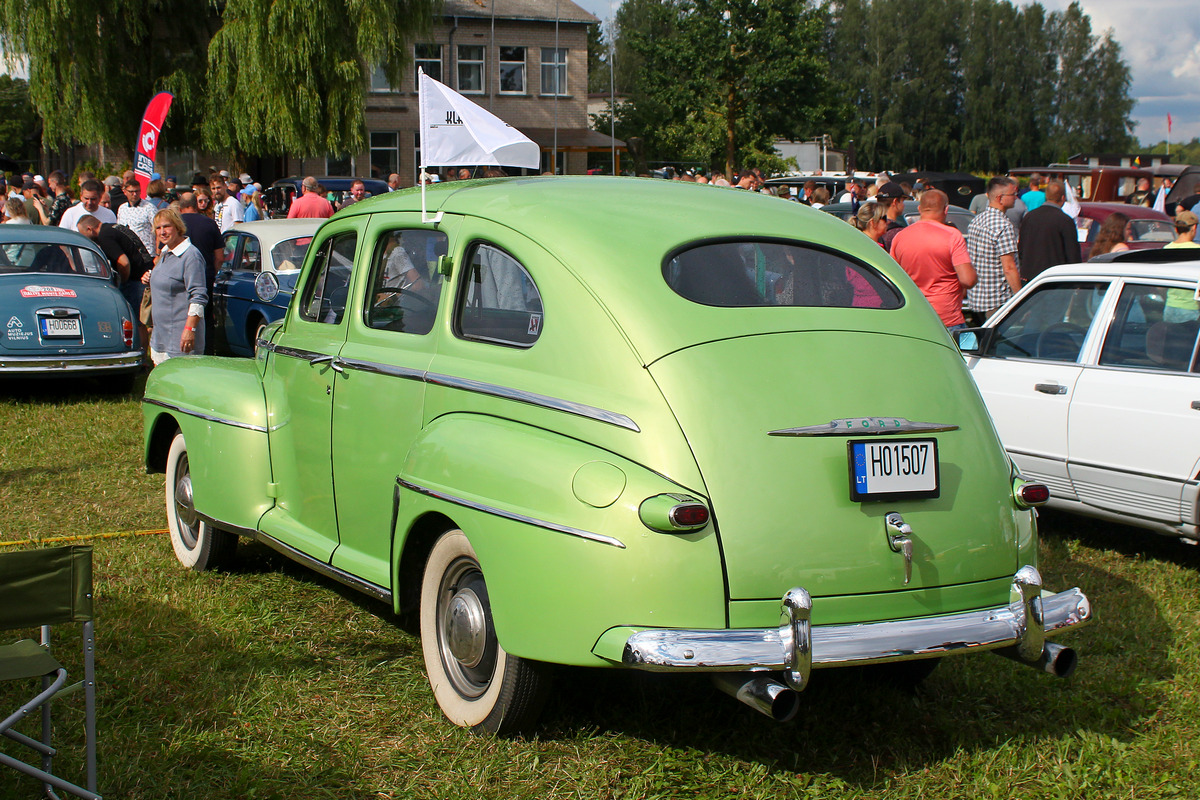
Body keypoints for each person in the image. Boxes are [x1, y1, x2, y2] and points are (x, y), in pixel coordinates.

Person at [890, 189, 976, 329]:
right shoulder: (952, 235)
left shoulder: (900, 237)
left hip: (914, 315)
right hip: (946, 317)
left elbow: (894, 278)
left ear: (919, 209)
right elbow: (968, 280)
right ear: (946, 209)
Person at [145, 208, 207, 363]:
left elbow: (198, 297)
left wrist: (189, 330)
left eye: (167, 226)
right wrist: (150, 277)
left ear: (178, 227)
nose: (162, 232)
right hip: (161, 336)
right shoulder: (165, 252)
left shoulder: (191, 255)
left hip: (180, 339)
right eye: (158, 228)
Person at [966, 177, 1021, 324]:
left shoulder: (977, 220)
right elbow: (1009, 267)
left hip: (976, 298)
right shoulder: (1003, 225)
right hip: (996, 300)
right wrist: (1020, 297)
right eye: (1013, 194)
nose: (1016, 198)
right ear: (1000, 198)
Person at [1017, 180, 1080, 282]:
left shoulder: (1030, 217)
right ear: (1063, 198)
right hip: (1055, 277)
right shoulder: (1065, 220)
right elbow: (1072, 253)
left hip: (1031, 276)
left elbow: (1022, 246)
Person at [116, 178, 158, 252]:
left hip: (147, 252)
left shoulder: (149, 208)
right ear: (125, 192)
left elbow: (158, 230)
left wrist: (158, 253)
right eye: (131, 192)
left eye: (137, 191)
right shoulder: (122, 208)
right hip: (128, 251)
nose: (134, 194)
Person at [875, 182, 909, 252]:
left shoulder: (872, 227)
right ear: (895, 201)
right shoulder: (898, 233)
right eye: (902, 201)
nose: (903, 205)